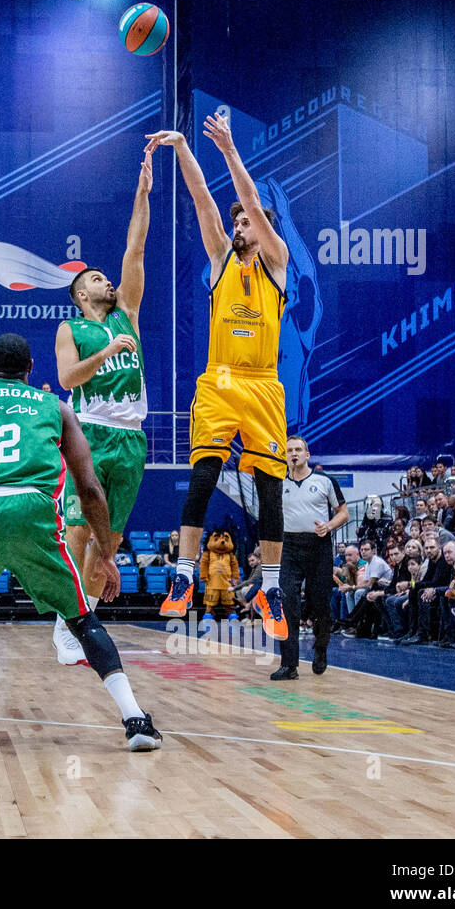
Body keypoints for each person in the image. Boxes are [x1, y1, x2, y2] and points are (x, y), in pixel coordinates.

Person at [0, 333, 161, 751]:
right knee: (80, 619)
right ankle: (135, 720)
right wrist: (106, 554)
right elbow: (90, 487)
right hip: (31, 507)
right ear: (30, 369)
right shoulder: (55, 407)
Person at [149, 114, 290, 641]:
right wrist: (184, 147)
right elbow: (202, 198)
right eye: (235, 224)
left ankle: (271, 587)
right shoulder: (220, 260)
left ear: (263, 229)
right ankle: (184, 578)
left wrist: (231, 151)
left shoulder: (275, 262)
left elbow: (249, 201)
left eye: (246, 223)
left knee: (270, 491)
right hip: (221, 381)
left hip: (264, 384)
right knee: (204, 478)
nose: (238, 226)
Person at [50, 149, 154, 666]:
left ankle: (84, 618)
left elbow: (135, 249)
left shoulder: (127, 313)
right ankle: (65, 621)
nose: (106, 281)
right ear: (79, 294)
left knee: (108, 541)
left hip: (131, 437)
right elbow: (68, 378)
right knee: (77, 529)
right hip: (90, 431)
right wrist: (108, 351)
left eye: (104, 278)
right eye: (95, 279)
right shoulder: (73, 328)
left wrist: (143, 190)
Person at [275, 436, 348, 679]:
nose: (293, 454)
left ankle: (321, 648)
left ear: (308, 454)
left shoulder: (325, 481)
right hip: (289, 547)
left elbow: (343, 513)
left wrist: (328, 526)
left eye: (298, 450)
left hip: (318, 546)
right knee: (286, 605)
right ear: (284, 456)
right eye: (289, 451)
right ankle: (289, 665)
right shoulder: (277, 483)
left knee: (319, 605)